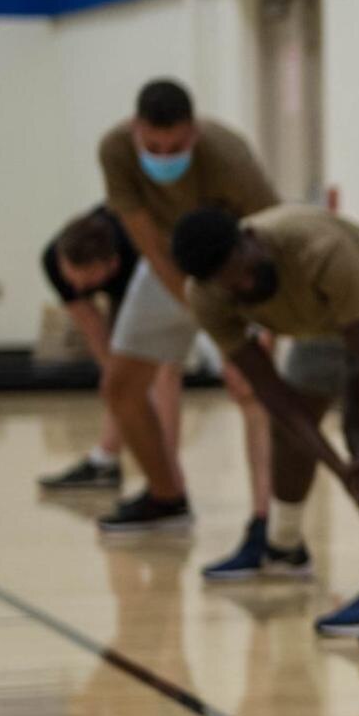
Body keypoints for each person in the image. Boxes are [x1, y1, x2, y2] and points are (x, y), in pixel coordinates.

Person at [170, 205, 359, 636]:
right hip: (319, 324)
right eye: (234, 287)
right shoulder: (205, 297)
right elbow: (272, 393)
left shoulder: (317, 247)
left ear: (251, 238)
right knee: (288, 429)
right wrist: (338, 471)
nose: (246, 285)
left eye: (245, 270)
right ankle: (283, 548)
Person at [93, 77, 279, 540]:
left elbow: (272, 233)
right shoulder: (115, 150)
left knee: (252, 389)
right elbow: (146, 241)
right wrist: (205, 320)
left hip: (236, 264)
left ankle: (267, 526)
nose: (162, 156)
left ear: (193, 132)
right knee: (120, 385)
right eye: (152, 146)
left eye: (174, 146)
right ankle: (166, 495)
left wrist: (260, 327)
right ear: (136, 129)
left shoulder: (229, 155)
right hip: (167, 262)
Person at [35, 208, 184, 491]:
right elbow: (91, 324)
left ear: (112, 264)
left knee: (165, 370)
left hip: (162, 273)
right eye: (72, 278)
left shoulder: (139, 254)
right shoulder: (53, 259)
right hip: (125, 285)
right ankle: (104, 461)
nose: (78, 287)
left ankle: (168, 474)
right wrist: (116, 376)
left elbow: (165, 364)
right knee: (120, 379)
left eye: (88, 280)